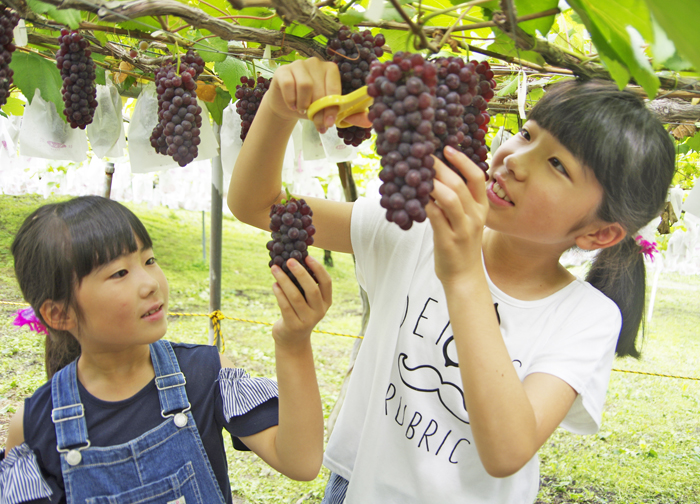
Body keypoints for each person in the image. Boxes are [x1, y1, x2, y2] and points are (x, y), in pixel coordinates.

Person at [227, 57, 676, 503]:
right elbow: (256, 205)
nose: (516, 160)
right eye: (527, 134)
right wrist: (278, 108)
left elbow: (507, 451)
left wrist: (462, 274)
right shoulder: (415, 226)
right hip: (356, 486)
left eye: (557, 165)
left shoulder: (586, 317)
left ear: (598, 233)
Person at [0, 195, 330, 504]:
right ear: (60, 314)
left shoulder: (204, 373)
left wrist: (294, 342)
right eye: (120, 273)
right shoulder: (33, 427)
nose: (151, 283)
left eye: (149, 259)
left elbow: (301, 462)